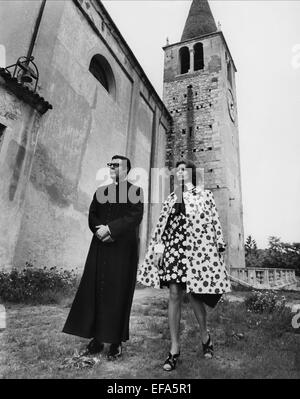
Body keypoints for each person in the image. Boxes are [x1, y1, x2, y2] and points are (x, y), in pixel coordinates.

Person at [137, 159, 231, 371]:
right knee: (174, 294)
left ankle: (205, 335)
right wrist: (159, 250)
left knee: (196, 295)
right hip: (174, 250)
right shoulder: (172, 198)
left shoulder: (205, 195)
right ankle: (174, 348)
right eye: (176, 170)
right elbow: (162, 226)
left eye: (183, 169)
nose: (178, 172)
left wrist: (220, 245)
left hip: (196, 250)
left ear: (191, 173)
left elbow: (214, 221)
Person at [63, 155, 144, 360]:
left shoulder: (135, 191)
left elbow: (134, 216)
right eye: (110, 164)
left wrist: (110, 230)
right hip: (100, 247)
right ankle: (97, 339)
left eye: (116, 165)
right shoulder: (101, 192)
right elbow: (92, 214)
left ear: (126, 169)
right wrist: (99, 231)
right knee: (96, 291)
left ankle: (116, 342)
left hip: (123, 250)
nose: (111, 167)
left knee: (118, 293)